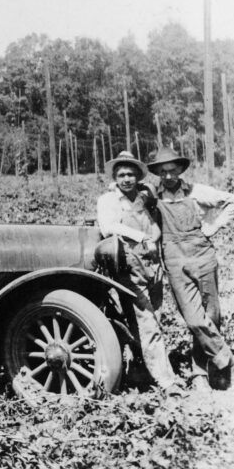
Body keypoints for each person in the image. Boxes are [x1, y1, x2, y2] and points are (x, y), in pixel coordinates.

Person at [148, 148, 234, 391]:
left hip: (202, 255)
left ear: (180, 170)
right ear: (157, 173)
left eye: (172, 170)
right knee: (193, 318)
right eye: (163, 171)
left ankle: (200, 374)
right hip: (174, 259)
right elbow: (130, 196)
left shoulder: (198, 192)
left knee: (211, 315)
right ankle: (228, 360)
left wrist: (213, 227)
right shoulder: (152, 195)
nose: (168, 176)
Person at [96, 151, 183, 396]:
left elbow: (154, 222)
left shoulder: (143, 198)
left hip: (152, 265)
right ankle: (167, 382)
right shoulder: (109, 200)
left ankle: (140, 371)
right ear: (114, 177)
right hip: (129, 267)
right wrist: (142, 237)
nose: (127, 179)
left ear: (138, 177)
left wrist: (153, 237)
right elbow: (108, 227)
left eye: (131, 174)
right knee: (147, 324)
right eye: (122, 175)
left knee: (154, 318)